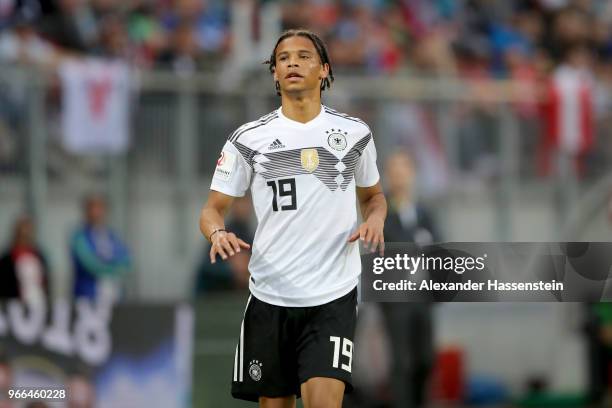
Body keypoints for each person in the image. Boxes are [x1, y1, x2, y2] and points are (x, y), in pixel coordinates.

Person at [199, 29, 386, 408]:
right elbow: (211, 208)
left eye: (303, 56)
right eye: (283, 58)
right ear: (273, 73)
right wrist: (217, 232)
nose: (292, 63)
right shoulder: (248, 139)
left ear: (324, 70)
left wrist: (376, 219)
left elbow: (374, 196)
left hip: (333, 294)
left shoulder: (354, 134)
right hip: (271, 294)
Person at [381, 151, 439, 408]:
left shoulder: (424, 214)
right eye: (395, 171)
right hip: (397, 301)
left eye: (404, 170)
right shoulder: (382, 215)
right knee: (402, 362)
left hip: (423, 299)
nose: (400, 177)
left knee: (425, 359)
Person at [70, 194, 130, 303]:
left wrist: (113, 268)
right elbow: (90, 263)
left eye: (99, 208)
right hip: (88, 295)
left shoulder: (112, 236)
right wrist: (113, 269)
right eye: (92, 208)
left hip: (113, 293)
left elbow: (126, 260)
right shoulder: (80, 237)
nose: (96, 212)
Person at [0, 216, 50, 306]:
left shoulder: (39, 256)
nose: (25, 238)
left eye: (27, 235)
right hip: (15, 305)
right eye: (22, 235)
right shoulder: (7, 259)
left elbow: (46, 281)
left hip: (38, 303)